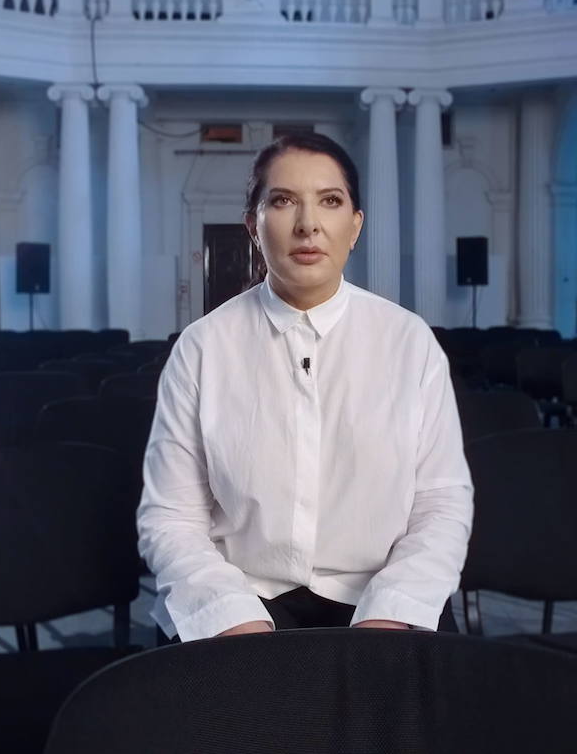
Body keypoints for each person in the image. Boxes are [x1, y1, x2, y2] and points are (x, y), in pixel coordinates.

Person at [137, 133, 474, 642]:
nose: (308, 224)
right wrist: (230, 615)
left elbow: (441, 503)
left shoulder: (409, 341)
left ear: (355, 226)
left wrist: (392, 610)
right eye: (283, 201)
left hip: (382, 596)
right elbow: (171, 514)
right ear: (253, 225)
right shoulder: (203, 347)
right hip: (240, 597)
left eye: (330, 201)